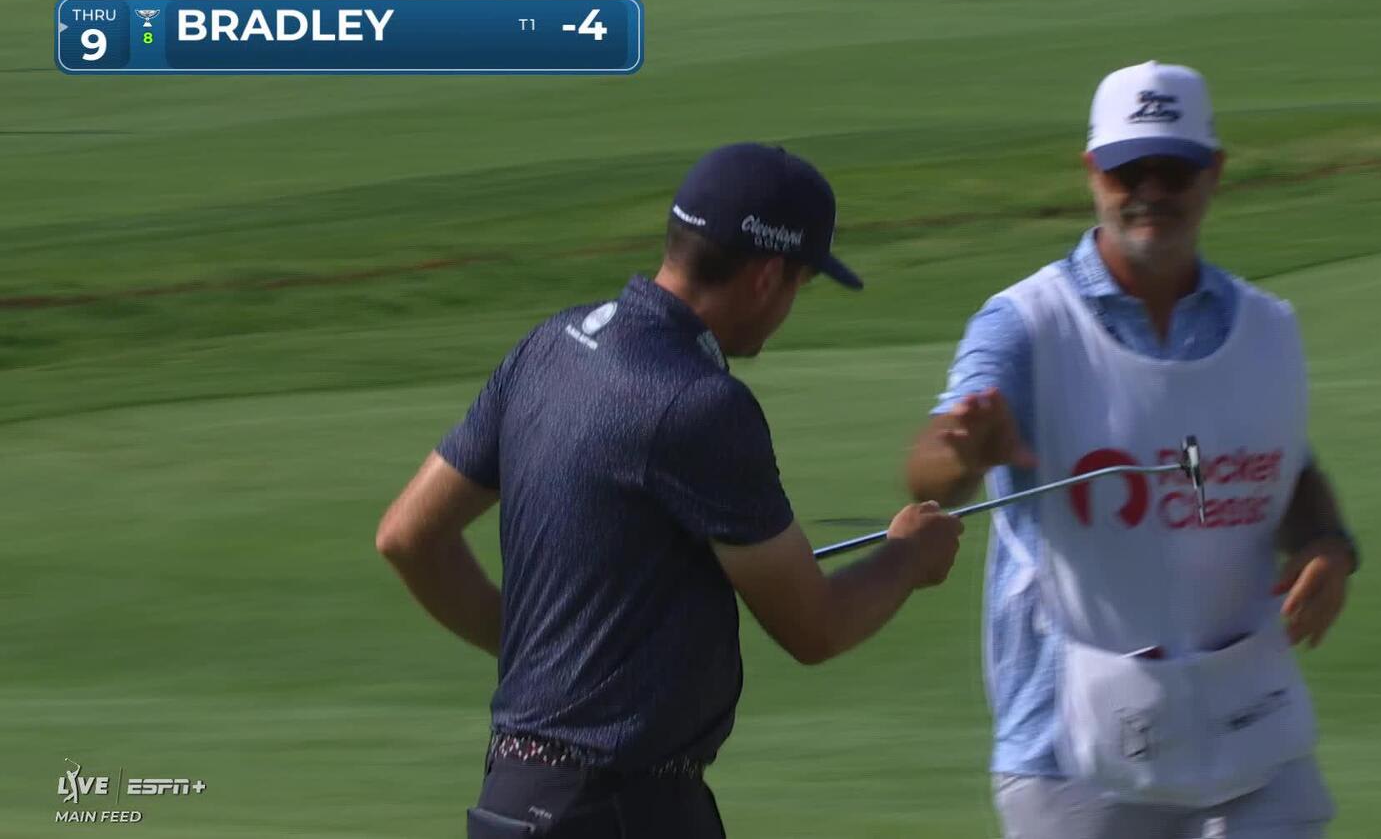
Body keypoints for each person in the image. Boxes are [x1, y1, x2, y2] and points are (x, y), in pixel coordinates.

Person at [377, 142, 964, 839]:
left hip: (512, 794)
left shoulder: (550, 345)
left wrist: (539, 649)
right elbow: (817, 627)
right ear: (767, 277)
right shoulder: (701, 405)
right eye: (800, 285)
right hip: (621, 808)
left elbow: (408, 537)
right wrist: (908, 556)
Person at [904, 62, 1360, 839]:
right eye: (1127, 170)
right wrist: (962, 452)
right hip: (1072, 753)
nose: (1150, 191)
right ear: (1092, 172)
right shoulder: (1024, 324)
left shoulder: (1266, 327)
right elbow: (930, 472)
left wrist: (1328, 543)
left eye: (1172, 170)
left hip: (1249, 727)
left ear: (1213, 172)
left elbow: (1283, 465)